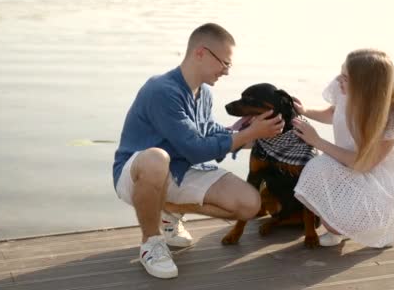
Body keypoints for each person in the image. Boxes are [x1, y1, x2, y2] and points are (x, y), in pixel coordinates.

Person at [112, 23, 284, 279]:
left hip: (181, 170)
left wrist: (258, 134)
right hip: (138, 174)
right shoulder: (162, 90)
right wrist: (247, 134)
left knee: (249, 204)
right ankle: (152, 243)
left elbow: (210, 132)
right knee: (156, 158)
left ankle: (167, 212)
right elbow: (193, 147)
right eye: (224, 63)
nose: (226, 71)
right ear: (201, 53)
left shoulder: (204, 93)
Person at [291, 49, 394, 249]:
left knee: (325, 167)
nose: (339, 79)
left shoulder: (393, 116)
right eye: (341, 72)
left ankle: (370, 227)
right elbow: (333, 113)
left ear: (366, 84)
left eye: (346, 77)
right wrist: (305, 112)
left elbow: (364, 164)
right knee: (318, 167)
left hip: (378, 173)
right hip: (346, 159)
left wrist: (317, 141)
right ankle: (339, 229)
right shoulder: (344, 89)